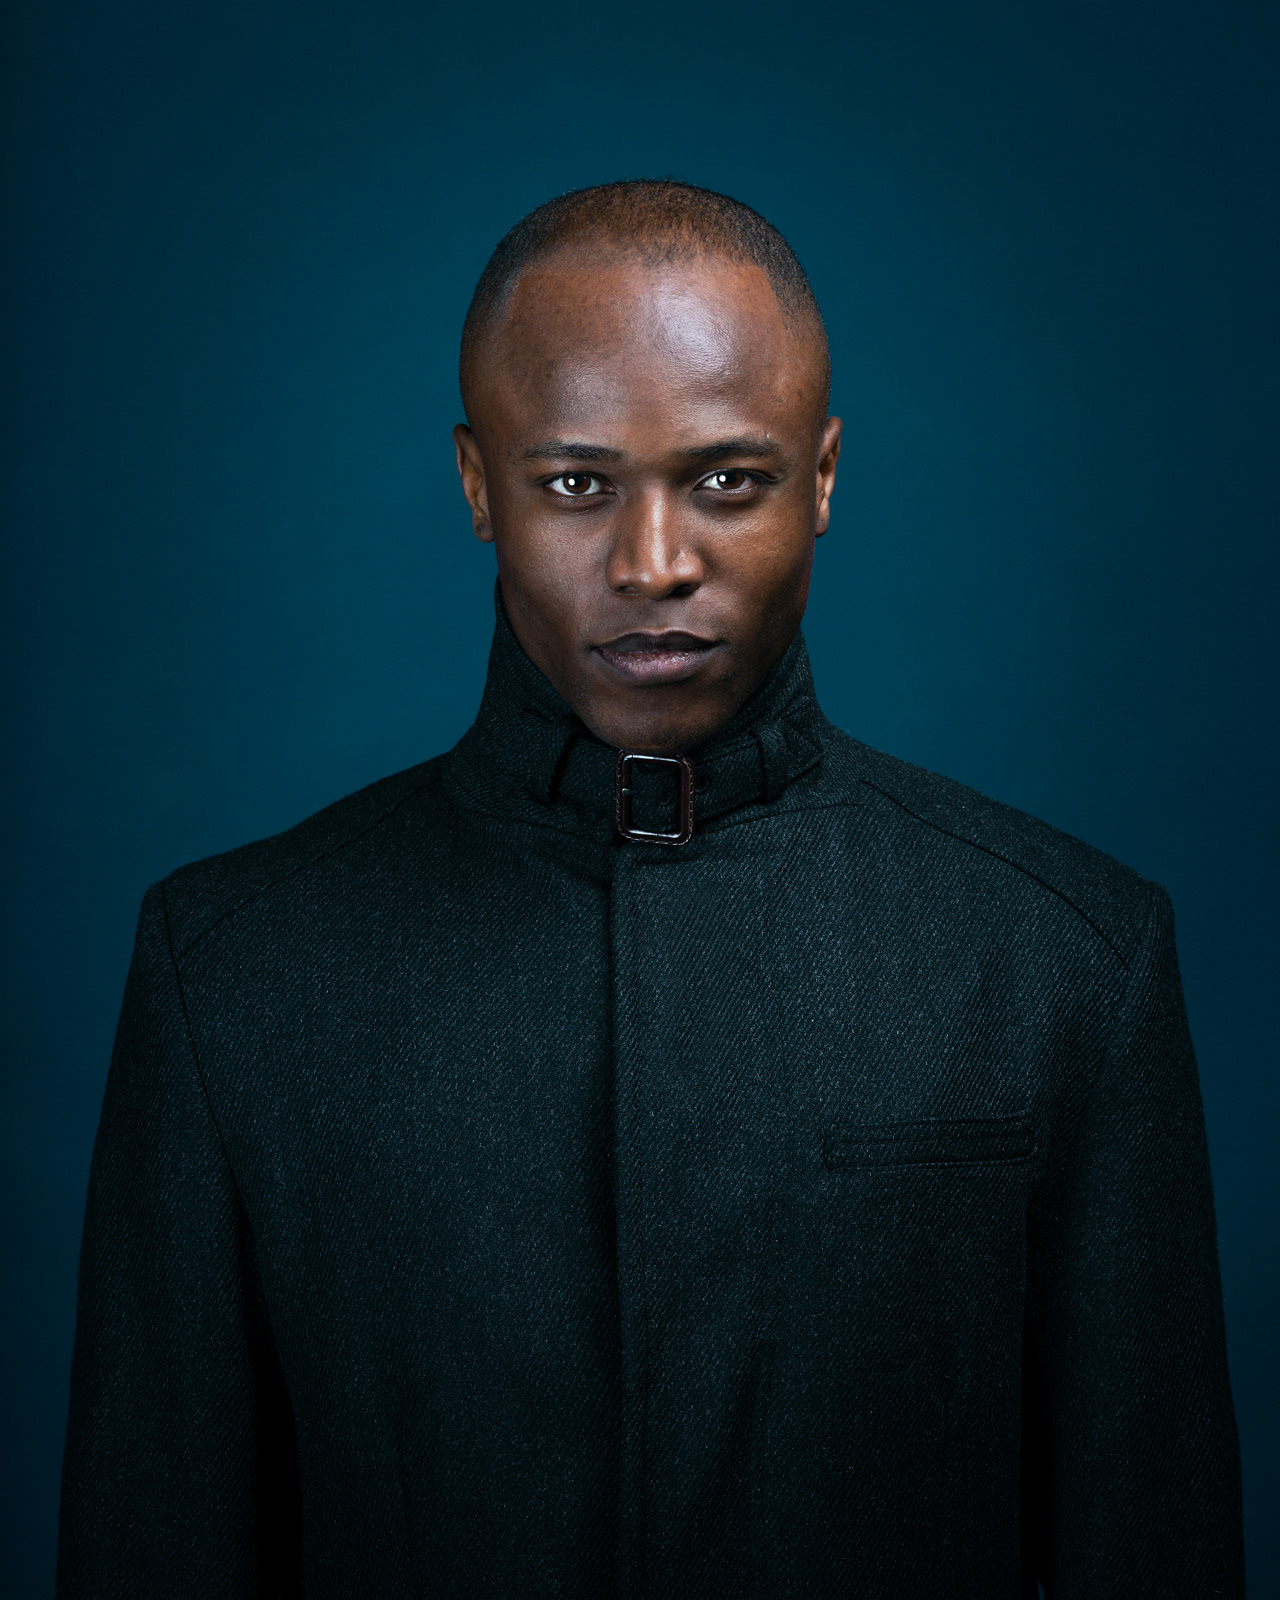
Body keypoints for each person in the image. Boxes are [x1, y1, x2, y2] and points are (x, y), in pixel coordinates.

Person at [57, 180, 1243, 1598]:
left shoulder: (1067, 959)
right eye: (576, 485)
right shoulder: (232, 973)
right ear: (476, 486)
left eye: (727, 481)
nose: (654, 564)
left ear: (824, 477)